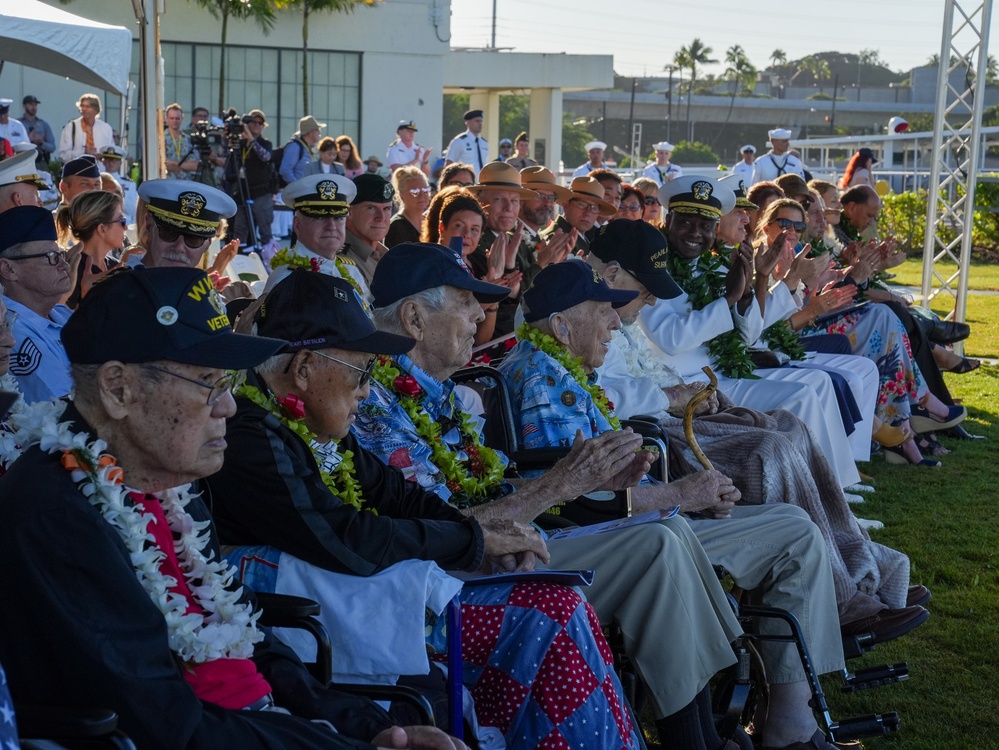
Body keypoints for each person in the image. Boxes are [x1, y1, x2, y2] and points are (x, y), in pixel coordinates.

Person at [0, 264, 469, 750]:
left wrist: (367, 725)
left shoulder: (165, 482)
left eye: (228, 383)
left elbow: (247, 633)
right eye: (209, 382)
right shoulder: (58, 513)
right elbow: (166, 725)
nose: (228, 407)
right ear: (119, 389)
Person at [209, 269, 641, 750]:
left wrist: (482, 540)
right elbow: (345, 537)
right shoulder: (251, 432)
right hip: (320, 611)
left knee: (548, 596)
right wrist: (472, 541)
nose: (369, 391)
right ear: (305, 367)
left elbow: (395, 493)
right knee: (550, 611)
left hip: (370, 591)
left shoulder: (307, 414)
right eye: (362, 372)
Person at [498, 259, 902, 750]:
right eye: (602, 312)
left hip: (627, 521)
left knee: (793, 524)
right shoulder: (546, 381)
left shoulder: (562, 369)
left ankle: (789, 719)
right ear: (560, 327)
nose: (614, 324)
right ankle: (748, 729)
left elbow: (588, 485)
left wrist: (658, 484)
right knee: (776, 535)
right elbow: (568, 502)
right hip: (603, 537)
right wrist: (681, 496)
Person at [588, 219, 924, 622]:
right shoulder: (575, 310)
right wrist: (670, 395)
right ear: (610, 274)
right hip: (646, 434)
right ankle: (839, 596)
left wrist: (685, 389)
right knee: (769, 449)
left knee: (789, 425)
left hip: (674, 410)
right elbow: (599, 395)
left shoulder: (608, 302)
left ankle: (862, 562)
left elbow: (649, 366)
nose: (649, 301)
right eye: (645, 291)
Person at [639, 176, 864, 489]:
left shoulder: (712, 267)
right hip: (683, 385)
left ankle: (837, 485)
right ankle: (824, 489)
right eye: (686, 223)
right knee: (803, 394)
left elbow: (746, 338)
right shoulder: (652, 269)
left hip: (720, 375)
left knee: (810, 390)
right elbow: (671, 339)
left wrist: (751, 288)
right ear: (669, 220)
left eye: (705, 226)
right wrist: (729, 298)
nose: (695, 234)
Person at [0, 206, 73, 403]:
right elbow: (64, 409)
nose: (65, 265)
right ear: (8, 269)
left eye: (61, 254)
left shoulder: (61, 313)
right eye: (51, 257)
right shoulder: (11, 329)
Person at [265, 174, 368, 296]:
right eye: (319, 217)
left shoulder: (350, 271)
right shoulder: (287, 279)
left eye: (338, 218)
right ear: (297, 225)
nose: (331, 226)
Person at [136, 179, 237, 269]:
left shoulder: (203, 289)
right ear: (149, 227)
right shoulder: (123, 286)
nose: (179, 247)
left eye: (193, 238)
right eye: (169, 233)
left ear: (208, 244)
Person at [64, 190, 125, 308]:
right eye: (121, 221)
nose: (126, 227)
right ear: (102, 229)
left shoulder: (115, 265)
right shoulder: (70, 270)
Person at [224, 108, 274, 250]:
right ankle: (238, 257)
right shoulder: (239, 143)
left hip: (261, 193)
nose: (256, 125)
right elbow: (226, 157)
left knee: (265, 230)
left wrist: (251, 140)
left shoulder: (265, 143)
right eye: (253, 122)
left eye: (260, 123)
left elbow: (266, 157)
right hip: (242, 192)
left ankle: (268, 260)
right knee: (239, 230)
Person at [537, 175, 615, 256]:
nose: (588, 212)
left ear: (598, 212)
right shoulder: (556, 239)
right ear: (566, 205)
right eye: (581, 204)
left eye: (594, 207)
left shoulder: (588, 237)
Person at [342, 173, 395, 289]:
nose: (381, 217)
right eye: (371, 208)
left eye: (386, 209)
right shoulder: (340, 258)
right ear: (349, 212)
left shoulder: (388, 255)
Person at [58, 95, 116, 164]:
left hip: (99, 171)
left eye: (87, 107)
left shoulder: (106, 128)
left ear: (96, 110)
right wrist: (83, 152)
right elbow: (63, 156)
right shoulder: (71, 127)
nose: (84, 109)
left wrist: (101, 156)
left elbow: (111, 152)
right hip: (78, 171)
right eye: (82, 106)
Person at [385, 166, 430, 248]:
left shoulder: (429, 221)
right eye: (415, 191)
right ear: (402, 195)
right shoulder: (397, 226)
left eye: (425, 190)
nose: (421, 196)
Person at [280, 116, 325, 186]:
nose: (319, 132)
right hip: (297, 194)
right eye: (317, 129)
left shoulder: (307, 149)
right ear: (310, 132)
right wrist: (296, 186)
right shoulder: (295, 147)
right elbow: (285, 170)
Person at [18, 95, 55, 169]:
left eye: (35, 105)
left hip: (40, 163)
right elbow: (12, 144)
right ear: (24, 106)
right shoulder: (18, 124)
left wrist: (41, 143)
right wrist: (28, 140)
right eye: (31, 104)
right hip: (22, 163)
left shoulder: (43, 125)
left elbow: (52, 147)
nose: (33, 107)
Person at [163, 103, 197, 180]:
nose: (174, 121)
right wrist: (186, 166)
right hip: (168, 182)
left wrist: (174, 163)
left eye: (177, 118)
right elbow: (162, 165)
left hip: (186, 183)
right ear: (166, 119)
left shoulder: (188, 139)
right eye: (172, 118)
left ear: (182, 118)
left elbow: (195, 166)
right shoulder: (161, 140)